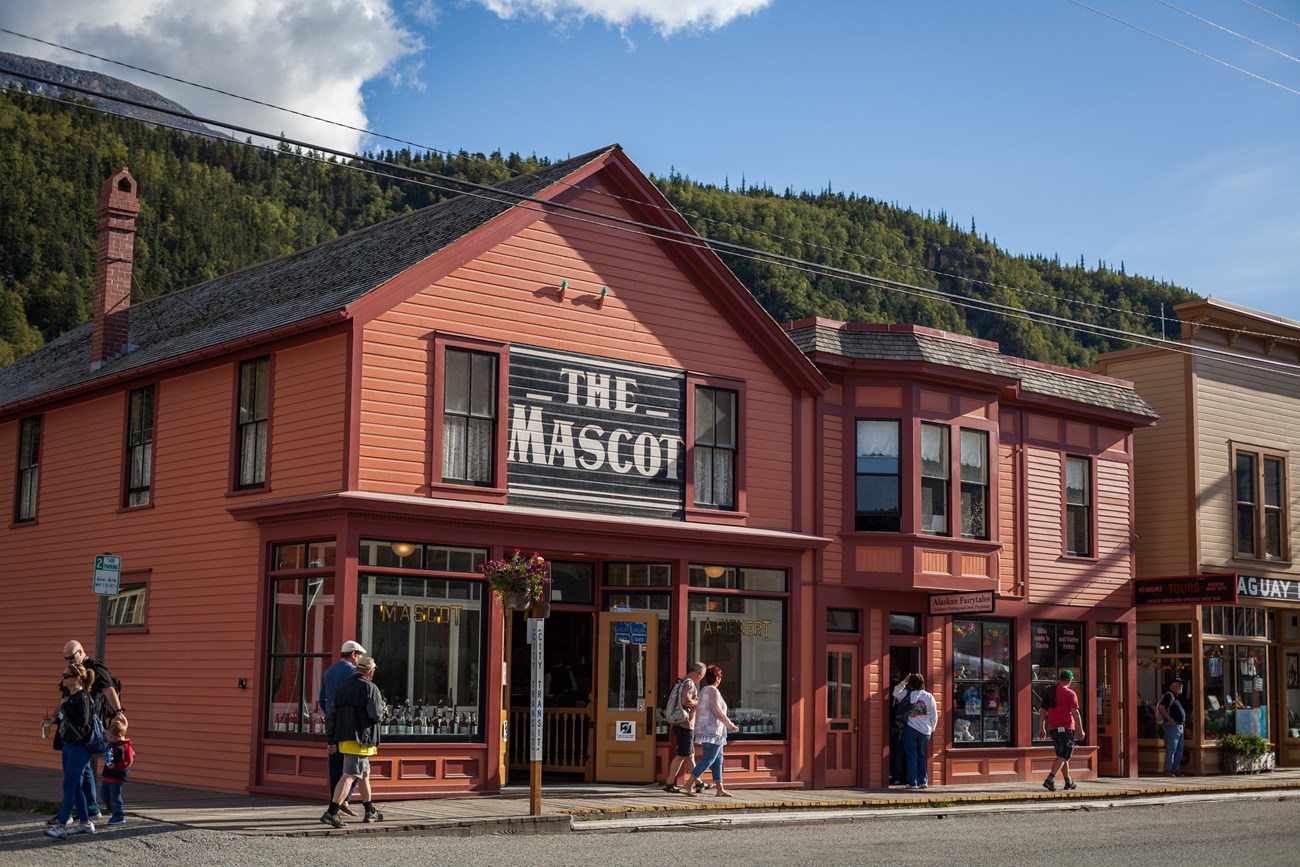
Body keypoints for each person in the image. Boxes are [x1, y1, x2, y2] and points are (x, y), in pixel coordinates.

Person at [56, 640, 124, 825]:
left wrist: (118, 712)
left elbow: (109, 688)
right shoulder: (71, 673)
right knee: (82, 770)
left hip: (87, 725)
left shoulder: (93, 667)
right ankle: (89, 812)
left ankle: (68, 815)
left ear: (81, 651)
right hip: (73, 726)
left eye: (71, 657)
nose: (69, 661)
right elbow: (64, 697)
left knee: (75, 774)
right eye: (66, 658)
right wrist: (57, 716)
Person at [321, 656, 385, 827]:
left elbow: (331, 715)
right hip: (361, 738)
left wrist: (331, 739)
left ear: (358, 669)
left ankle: (370, 811)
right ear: (370, 672)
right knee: (350, 774)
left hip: (344, 737)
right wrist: (383, 710)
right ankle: (332, 812)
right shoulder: (371, 688)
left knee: (364, 775)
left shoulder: (343, 687)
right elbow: (375, 715)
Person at [46, 663, 98, 838]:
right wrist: (51, 721)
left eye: (66, 676)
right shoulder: (70, 697)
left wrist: (66, 705)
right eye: (63, 675)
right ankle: (86, 823)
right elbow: (67, 722)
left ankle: (61, 826)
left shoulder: (82, 697)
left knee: (68, 784)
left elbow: (82, 722)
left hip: (79, 748)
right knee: (75, 786)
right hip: (68, 745)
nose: (63, 678)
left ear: (77, 679)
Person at [320, 640, 365, 816]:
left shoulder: (329, 672)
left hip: (333, 722)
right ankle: (344, 799)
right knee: (357, 763)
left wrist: (330, 713)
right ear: (353, 654)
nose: (359, 660)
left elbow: (321, 698)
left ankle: (335, 800)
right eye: (359, 656)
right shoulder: (354, 672)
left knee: (335, 764)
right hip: (350, 723)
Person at [682, 665, 741, 798]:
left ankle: (720, 789)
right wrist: (731, 725)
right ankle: (689, 784)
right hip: (712, 731)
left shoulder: (703, 690)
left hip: (710, 731)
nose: (720, 679)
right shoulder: (713, 691)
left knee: (718, 759)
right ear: (717, 678)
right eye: (720, 676)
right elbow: (717, 711)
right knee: (708, 758)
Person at [663, 661, 706, 793]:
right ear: (699, 674)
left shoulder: (682, 681)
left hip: (680, 724)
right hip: (685, 725)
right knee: (682, 755)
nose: (701, 678)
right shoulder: (689, 683)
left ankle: (699, 782)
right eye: (702, 675)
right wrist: (698, 702)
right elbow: (685, 700)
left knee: (689, 755)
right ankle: (669, 783)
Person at [1039, 669, 1085, 791]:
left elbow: (1042, 711)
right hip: (1067, 729)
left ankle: (1068, 781)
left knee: (1062, 755)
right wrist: (1080, 730)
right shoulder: (1070, 694)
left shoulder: (1051, 692)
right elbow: (1076, 713)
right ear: (1070, 680)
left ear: (1060, 679)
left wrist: (1042, 727)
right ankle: (1050, 779)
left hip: (1053, 729)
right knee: (1063, 755)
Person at [892, 673, 938, 790]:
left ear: (911, 683)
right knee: (921, 755)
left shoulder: (907, 694)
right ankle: (923, 781)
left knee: (911, 756)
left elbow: (895, 692)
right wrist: (932, 728)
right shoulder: (929, 696)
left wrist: (904, 681)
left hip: (910, 729)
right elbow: (934, 715)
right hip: (925, 731)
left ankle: (912, 783)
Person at [101, 719, 135, 825]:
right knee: (104, 795)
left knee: (115, 796)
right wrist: (107, 760)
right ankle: (114, 811)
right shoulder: (112, 745)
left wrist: (116, 766)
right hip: (107, 775)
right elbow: (108, 756)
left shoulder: (126, 746)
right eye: (108, 737)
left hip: (117, 776)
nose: (109, 739)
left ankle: (119, 815)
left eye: (111, 737)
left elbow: (127, 761)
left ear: (119, 736)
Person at [1154, 677, 1187, 777]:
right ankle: (1167, 770)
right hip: (1171, 726)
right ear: (1172, 685)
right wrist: (1169, 719)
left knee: (1179, 750)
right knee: (1171, 749)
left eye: (1181, 683)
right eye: (1178, 683)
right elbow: (1161, 707)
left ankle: (1175, 769)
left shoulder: (1177, 697)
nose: (1181, 685)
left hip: (1179, 726)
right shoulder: (1169, 695)